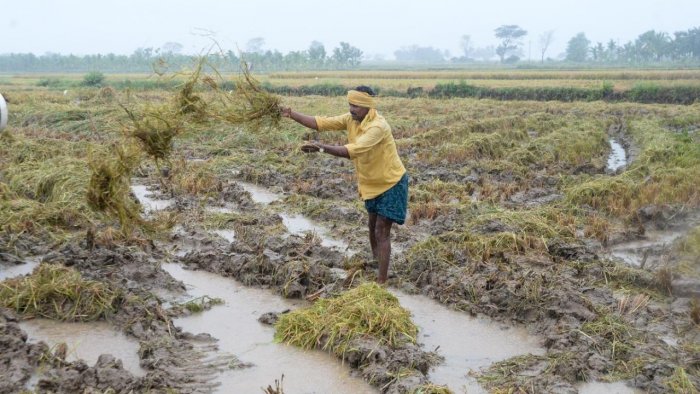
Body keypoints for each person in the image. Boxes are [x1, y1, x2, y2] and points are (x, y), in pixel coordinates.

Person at [281, 86, 408, 284]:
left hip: (391, 182)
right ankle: (377, 264)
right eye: (350, 104)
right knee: (372, 226)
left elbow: (353, 150)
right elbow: (320, 123)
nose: (351, 109)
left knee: (381, 231)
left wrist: (321, 147)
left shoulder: (378, 127)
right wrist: (291, 114)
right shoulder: (351, 119)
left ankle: (381, 283)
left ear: (367, 106)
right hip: (371, 183)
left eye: (356, 105)